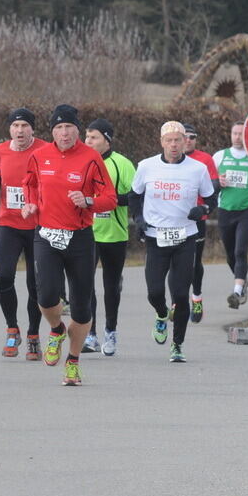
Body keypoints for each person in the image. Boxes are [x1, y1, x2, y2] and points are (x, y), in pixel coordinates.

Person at [22, 104, 117, 385]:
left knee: (81, 307)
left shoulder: (91, 158)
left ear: (78, 130)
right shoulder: (39, 156)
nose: (64, 133)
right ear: (52, 130)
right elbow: (29, 184)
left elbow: (109, 198)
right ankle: (55, 329)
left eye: (69, 127)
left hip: (79, 237)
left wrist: (88, 200)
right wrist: (29, 204)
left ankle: (73, 361)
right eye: (59, 128)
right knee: (46, 295)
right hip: (47, 234)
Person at [130, 121, 216, 362]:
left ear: (185, 141)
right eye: (169, 140)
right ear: (161, 142)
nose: (174, 144)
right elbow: (134, 196)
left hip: (185, 237)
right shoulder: (146, 166)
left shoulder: (197, 169)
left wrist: (203, 209)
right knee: (154, 292)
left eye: (179, 139)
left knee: (180, 294)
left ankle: (177, 345)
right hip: (156, 237)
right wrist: (138, 218)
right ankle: (160, 315)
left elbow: (211, 198)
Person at [0, 108, 47, 359]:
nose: (19, 130)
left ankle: (33, 335)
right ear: (9, 129)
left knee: (36, 283)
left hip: (37, 224)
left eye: (24, 126)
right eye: (15, 126)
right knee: (4, 276)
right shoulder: (0, 150)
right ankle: (12, 329)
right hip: (9, 222)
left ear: (32, 129)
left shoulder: (45, 150)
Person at [82, 119, 135, 356]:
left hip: (114, 234)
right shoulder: (80, 161)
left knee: (111, 287)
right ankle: (90, 334)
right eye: (87, 136)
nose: (88, 141)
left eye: (93, 137)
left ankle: (110, 332)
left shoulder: (121, 163)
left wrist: (105, 200)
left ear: (106, 139)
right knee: (85, 286)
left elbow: (135, 196)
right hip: (86, 233)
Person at [213, 122, 248, 309]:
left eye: (241, 134)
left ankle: (237, 291)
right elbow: (208, 182)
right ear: (230, 134)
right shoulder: (219, 156)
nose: (237, 137)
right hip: (225, 210)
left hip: (246, 210)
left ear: (246, 136)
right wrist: (219, 182)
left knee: (240, 251)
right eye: (234, 133)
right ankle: (242, 280)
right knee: (230, 255)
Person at [183, 123, 219, 322]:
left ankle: (196, 297)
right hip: (175, 220)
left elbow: (213, 187)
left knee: (195, 261)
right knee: (175, 262)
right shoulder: (170, 159)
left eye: (192, 137)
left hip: (197, 219)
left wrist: (203, 208)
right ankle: (177, 302)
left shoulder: (205, 159)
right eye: (185, 136)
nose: (188, 140)